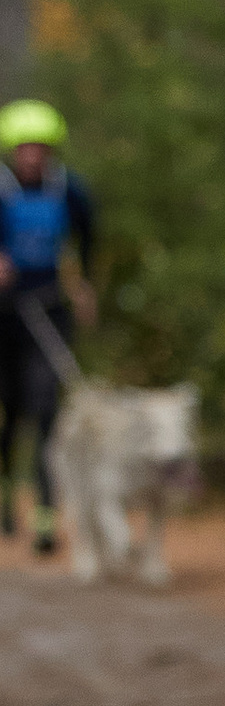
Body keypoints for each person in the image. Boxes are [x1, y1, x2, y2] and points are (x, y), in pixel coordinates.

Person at [0, 100, 98, 556]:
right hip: (4, 312)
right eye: (25, 148)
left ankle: (45, 515)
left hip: (49, 310)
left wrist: (86, 287)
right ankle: (5, 498)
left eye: (40, 147)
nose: (33, 156)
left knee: (45, 410)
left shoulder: (69, 190)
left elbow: (90, 239)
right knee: (10, 409)